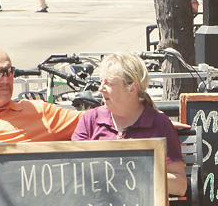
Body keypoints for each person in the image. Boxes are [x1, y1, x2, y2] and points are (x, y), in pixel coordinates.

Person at [72, 53, 187, 195]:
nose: (100, 88)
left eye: (108, 83)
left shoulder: (159, 123)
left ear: (132, 88)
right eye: (101, 82)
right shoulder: (90, 120)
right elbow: (73, 172)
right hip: (95, 205)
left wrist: (135, 174)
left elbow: (180, 186)